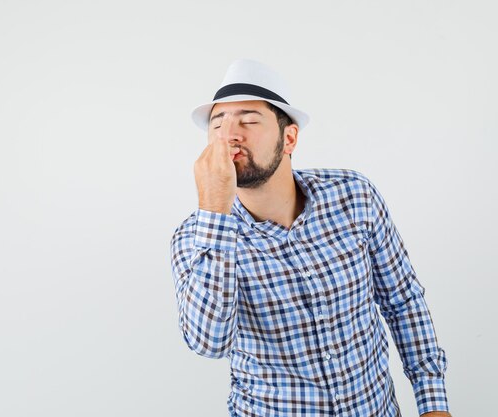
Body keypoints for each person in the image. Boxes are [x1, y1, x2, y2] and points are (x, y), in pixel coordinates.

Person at [169, 59, 451, 417]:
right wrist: (214, 207)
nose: (229, 135)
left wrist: (432, 402)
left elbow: (402, 301)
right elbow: (208, 342)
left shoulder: (353, 196)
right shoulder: (194, 238)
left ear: (289, 138)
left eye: (248, 120)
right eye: (217, 123)